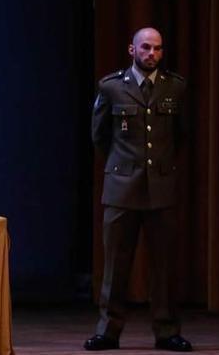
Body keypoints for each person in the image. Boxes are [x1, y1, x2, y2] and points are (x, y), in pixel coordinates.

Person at [85, 27, 192, 352]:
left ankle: (167, 330)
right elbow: (100, 135)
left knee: (164, 265)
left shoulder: (175, 86)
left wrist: (158, 166)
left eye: (157, 49)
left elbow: (181, 136)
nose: (152, 54)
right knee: (116, 264)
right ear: (132, 50)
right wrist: (125, 166)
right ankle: (109, 331)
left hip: (160, 186)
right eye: (145, 47)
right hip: (122, 187)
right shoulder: (112, 86)